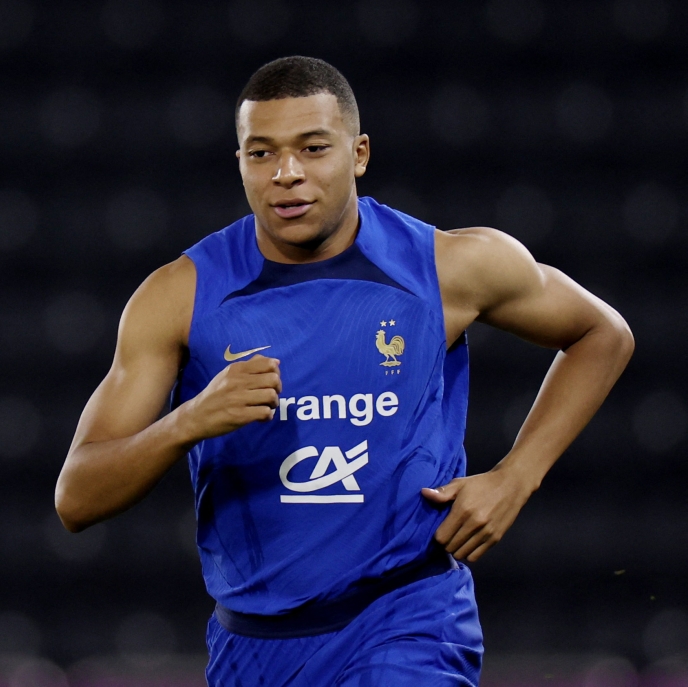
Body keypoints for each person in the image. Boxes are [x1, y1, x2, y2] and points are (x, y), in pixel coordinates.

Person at [54, 56, 633, 686]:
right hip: (254, 642)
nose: (288, 174)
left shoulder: (450, 266)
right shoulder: (178, 297)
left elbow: (602, 333)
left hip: (408, 615)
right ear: (241, 163)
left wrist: (518, 476)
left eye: (312, 148)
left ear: (358, 154)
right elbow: (76, 499)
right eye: (262, 153)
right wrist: (187, 422)